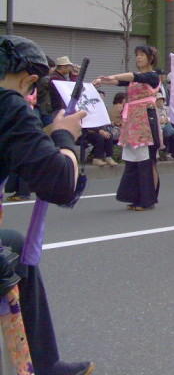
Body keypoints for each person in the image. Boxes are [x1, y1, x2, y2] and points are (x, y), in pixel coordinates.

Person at [0, 35, 95, 375]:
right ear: (28, 80)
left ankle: (45, 361)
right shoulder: (8, 104)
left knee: (14, 243)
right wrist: (65, 137)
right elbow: (58, 183)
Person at [93, 45, 161, 211]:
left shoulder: (152, 76)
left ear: (150, 58)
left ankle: (147, 199)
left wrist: (112, 75)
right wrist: (104, 80)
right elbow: (119, 81)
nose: (138, 58)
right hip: (132, 120)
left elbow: (133, 76)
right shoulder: (136, 77)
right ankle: (134, 197)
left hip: (145, 118)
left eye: (142, 55)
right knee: (133, 159)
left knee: (146, 159)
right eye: (137, 55)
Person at [156, 93, 174, 161]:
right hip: (158, 128)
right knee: (164, 135)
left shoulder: (166, 108)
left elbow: (170, 118)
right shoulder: (154, 109)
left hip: (167, 126)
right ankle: (164, 153)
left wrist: (167, 119)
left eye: (161, 100)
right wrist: (160, 121)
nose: (160, 102)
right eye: (158, 100)